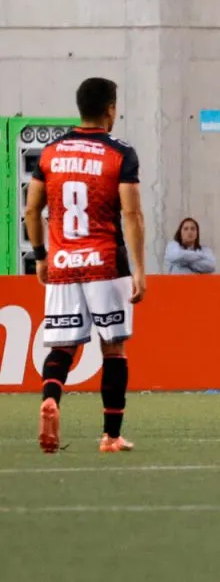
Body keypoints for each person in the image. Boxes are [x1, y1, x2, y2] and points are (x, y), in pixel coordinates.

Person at [24, 77, 146, 454]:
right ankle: (111, 435)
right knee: (113, 349)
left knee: (62, 348)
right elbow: (132, 213)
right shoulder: (120, 153)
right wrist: (139, 270)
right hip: (106, 263)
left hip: (62, 263)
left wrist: (42, 256)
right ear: (110, 108)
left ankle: (51, 399)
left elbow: (32, 209)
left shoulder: (51, 152)